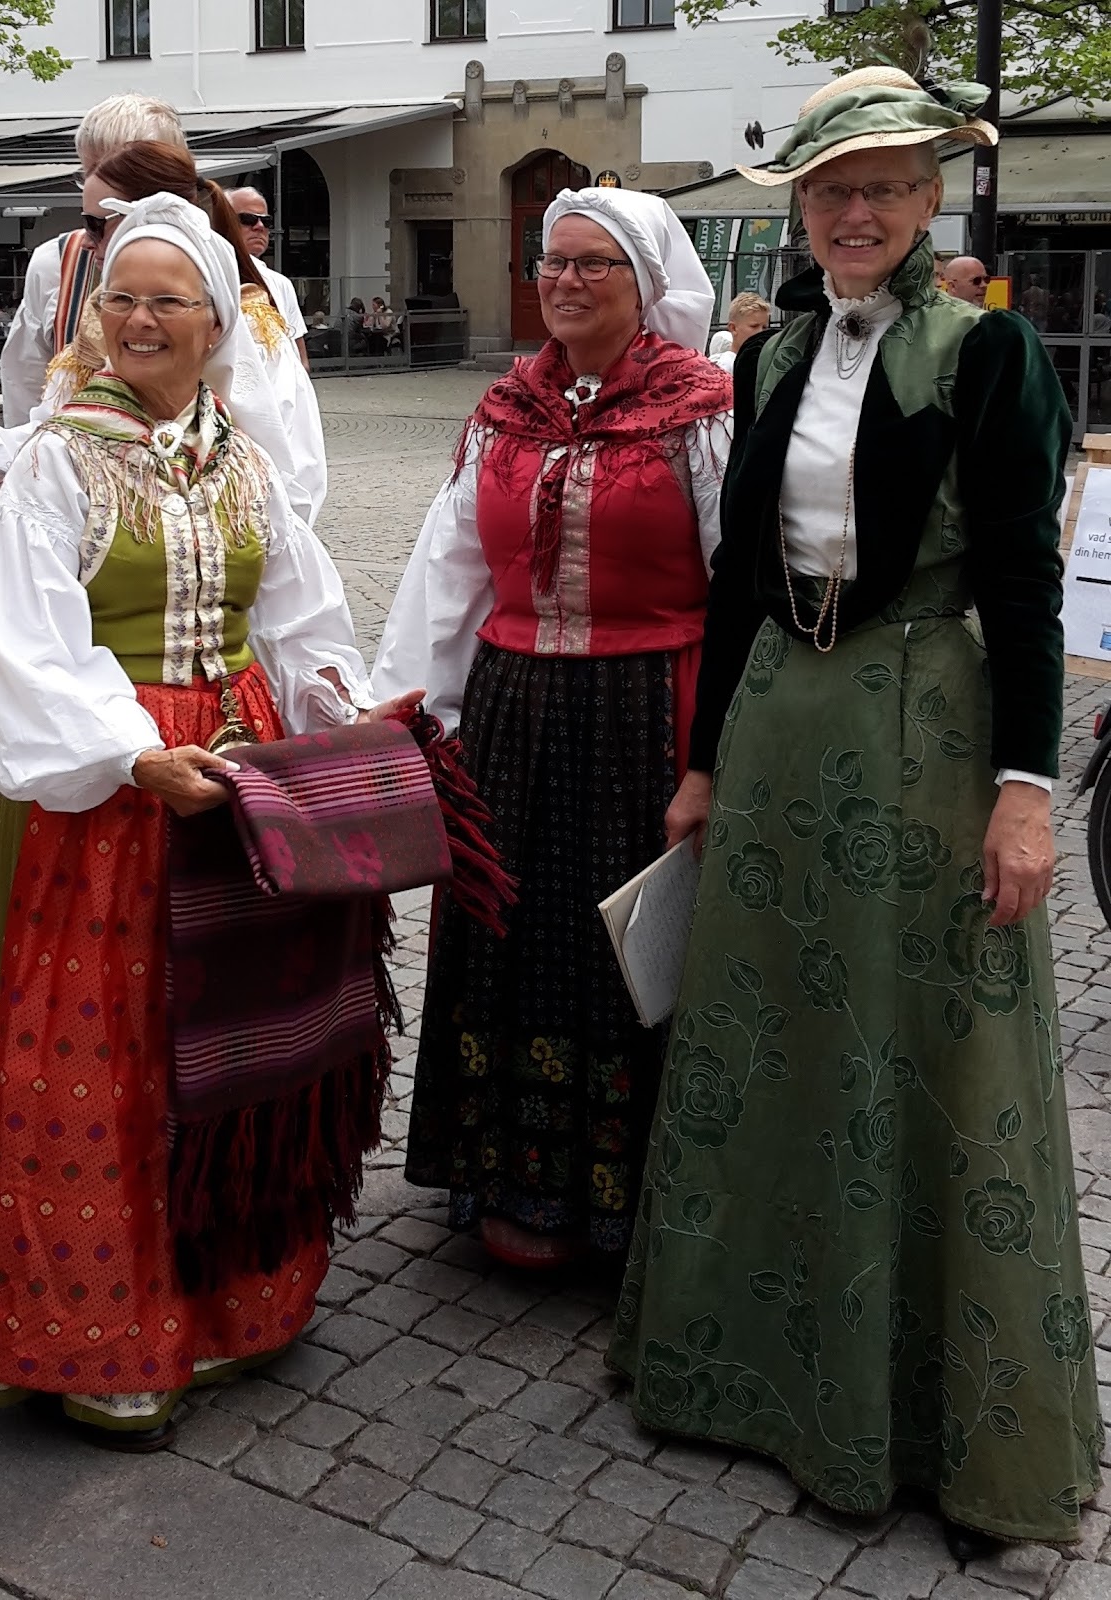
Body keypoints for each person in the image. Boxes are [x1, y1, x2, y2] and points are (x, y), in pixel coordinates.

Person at [608, 67, 1102, 1556]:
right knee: (773, 1035)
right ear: (803, 213)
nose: (858, 209)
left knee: (921, 1041)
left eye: (886, 184)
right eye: (832, 189)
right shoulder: (770, 359)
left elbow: (1022, 584)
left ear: (929, 196)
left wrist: (1025, 794)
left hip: (925, 724)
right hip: (780, 724)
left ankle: (930, 1420)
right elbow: (738, 584)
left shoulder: (988, 353)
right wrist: (701, 762)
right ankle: (747, 1371)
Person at [0, 192, 419, 1451]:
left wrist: (354, 714)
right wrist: (129, 751)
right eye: (120, 299)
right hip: (117, 790)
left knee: (244, 1038)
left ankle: (237, 1299)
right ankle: (104, 1330)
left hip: (243, 768)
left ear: (221, 323)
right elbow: (27, 635)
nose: (141, 319)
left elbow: (303, 618)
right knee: (116, 1043)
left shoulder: (244, 457)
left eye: (168, 300)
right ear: (93, 320)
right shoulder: (60, 453)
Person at [373, 187, 733, 1268]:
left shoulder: (700, 409)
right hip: (510, 711)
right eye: (551, 262)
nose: (565, 281)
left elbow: (738, 581)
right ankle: (505, 1177)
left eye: (593, 265)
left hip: (644, 712)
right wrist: (410, 717)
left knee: (629, 948)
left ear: (647, 284)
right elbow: (449, 575)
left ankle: (630, 1195)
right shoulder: (501, 410)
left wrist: (718, 754)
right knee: (504, 935)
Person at [0, 141, 327, 529]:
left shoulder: (250, 330)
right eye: (122, 301)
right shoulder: (97, 333)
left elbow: (294, 477)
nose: (88, 244)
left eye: (96, 226)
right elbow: (44, 446)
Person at [0, 93, 186, 426]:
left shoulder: (221, 268)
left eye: (122, 178)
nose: (98, 185)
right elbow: (24, 382)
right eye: (90, 171)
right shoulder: (55, 262)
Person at [225, 186, 310, 371]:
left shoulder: (281, 283)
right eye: (247, 219)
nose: (259, 227)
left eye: (266, 221)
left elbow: (298, 350)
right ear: (225, 222)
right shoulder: (208, 277)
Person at [709, 290, 771, 372]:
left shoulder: (768, 365)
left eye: (765, 327)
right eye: (754, 326)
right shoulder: (723, 369)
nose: (761, 332)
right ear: (733, 328)